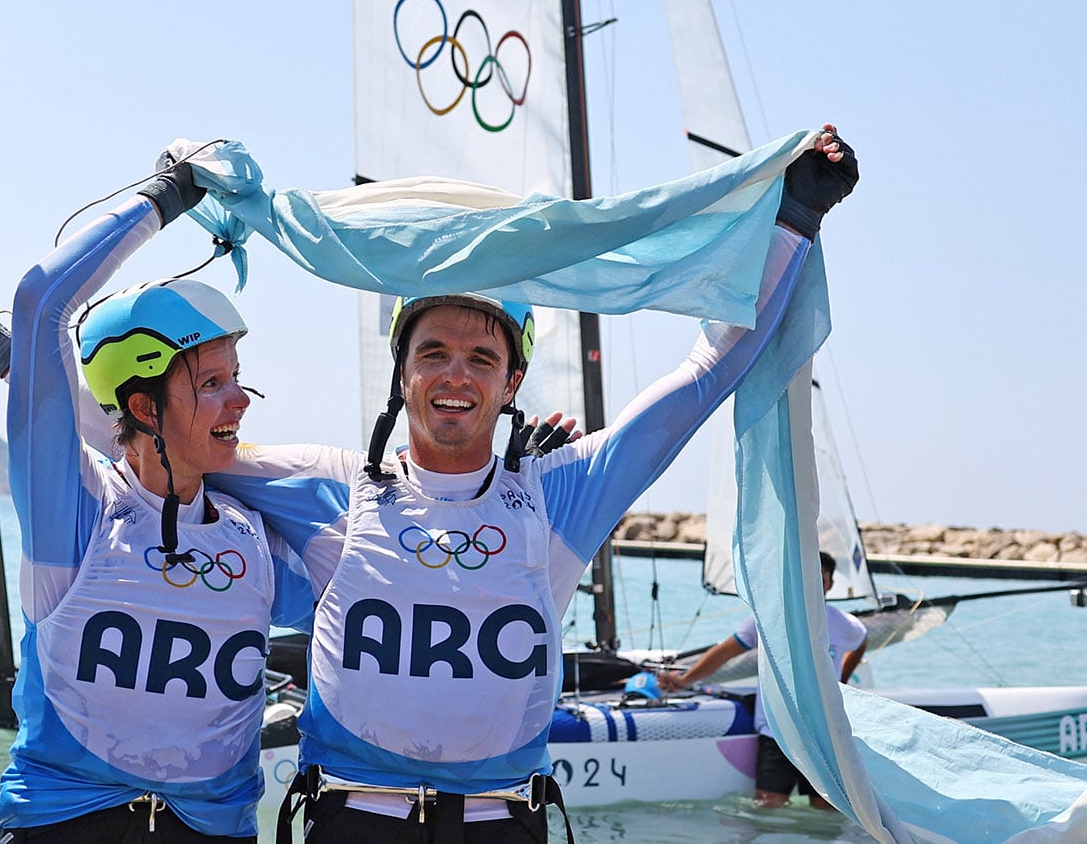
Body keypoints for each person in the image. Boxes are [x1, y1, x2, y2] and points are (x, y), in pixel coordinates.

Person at [199, 125, 859, 843]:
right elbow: (154, 439)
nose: (456, 375)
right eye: (435, 353)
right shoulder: (330, 485)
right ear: (403, 371)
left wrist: (795, 218)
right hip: (355, 817)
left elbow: (705, 376)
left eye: (482, 357)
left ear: (513, 380)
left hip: (502, 823)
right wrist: (163, 203)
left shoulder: (564, 492)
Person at [0, 163, 314, 842]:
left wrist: (519, 475)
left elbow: (390, 583)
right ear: (140, 405)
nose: (240, 402)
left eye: (238, 379)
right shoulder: (78, 514)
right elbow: (40, 303)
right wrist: (166, 196)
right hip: (67, 824)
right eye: (213, 382)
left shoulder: (256, 536)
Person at [657, 551, 868, 809]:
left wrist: (843, 679)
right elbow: (725, 652)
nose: (812, 585)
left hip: (823, 734)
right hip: (778, 731)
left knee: (826, 810)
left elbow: (860, 641)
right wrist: (685, 680)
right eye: (807, 578)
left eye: (820, 579)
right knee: (768, 807)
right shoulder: (769, 619)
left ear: (830, 585)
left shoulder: (844, 624)